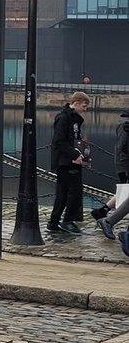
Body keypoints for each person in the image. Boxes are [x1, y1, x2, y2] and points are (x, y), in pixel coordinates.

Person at [47, 91, 91, 235]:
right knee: (74, 191)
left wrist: (81, 145)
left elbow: (70, 139)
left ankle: (54, 222)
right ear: (76, 103)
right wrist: (75, 153)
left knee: (63, 192)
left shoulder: (75, 120)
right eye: (84, 106)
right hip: (66, 161)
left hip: (71, 160)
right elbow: (59, 141)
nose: (85, 109)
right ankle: (68, 220)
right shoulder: (63, 118)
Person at [92, 108, 129, 239]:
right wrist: (123, 170)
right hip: (125, 165)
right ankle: (107, 218)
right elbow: (123, 148)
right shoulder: (125, 125)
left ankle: (104, 213)